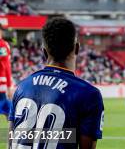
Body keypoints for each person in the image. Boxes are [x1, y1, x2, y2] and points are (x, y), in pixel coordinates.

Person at [9, 18, 104, 149]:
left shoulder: (21, 87)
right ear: (76, 48)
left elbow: (11, 142)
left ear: (44, 51)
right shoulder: (89, 94)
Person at [0, 25, 13, 120]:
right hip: (2, 83)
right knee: (7, 111)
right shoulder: (3, 45)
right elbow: (6, 66)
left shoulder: (3, 45)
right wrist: (9, 86)